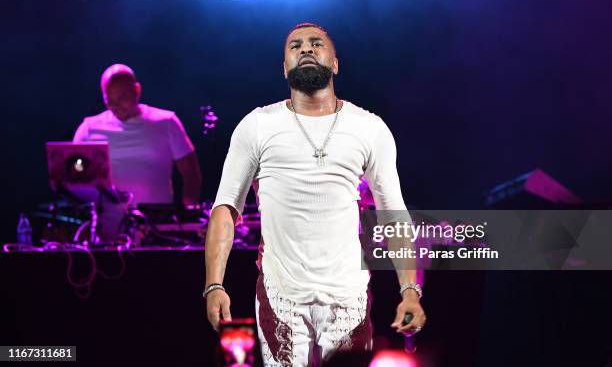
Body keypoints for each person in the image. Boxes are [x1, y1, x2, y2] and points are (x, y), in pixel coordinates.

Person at [204, 23, 426, 366]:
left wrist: (410, 291)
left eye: (315, 43)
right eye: (295, 46)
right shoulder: (258, 125)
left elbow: (393, 214)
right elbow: (225, 209)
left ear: (335, 63)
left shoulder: (368, 127)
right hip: (282, 295)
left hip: (347, 295)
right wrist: (214, 285)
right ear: (284, 68)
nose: (305, 49)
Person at [73, 64, 202, 239]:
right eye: (109, 100)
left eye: (122, 98)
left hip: (158, 230)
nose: (116, 106)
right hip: (107, 233)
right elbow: (72, 179)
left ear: (137, 90)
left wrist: (188, 215)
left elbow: (191, 172)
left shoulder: (166, 122)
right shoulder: (89, 128)